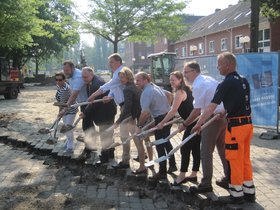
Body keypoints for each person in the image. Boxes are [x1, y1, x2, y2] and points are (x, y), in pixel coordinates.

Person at [192, 52, 255, 204]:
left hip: (236, 127)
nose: (217, 67)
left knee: (234, 159)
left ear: (228, 65)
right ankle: (249, 192)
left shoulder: (226, 83)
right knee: (245, 158)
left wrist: (198, 123)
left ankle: (236, 194)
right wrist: (224, 111)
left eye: (219, 64)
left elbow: (209, 107)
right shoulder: (243, 80)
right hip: (247, 125)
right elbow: (238, 102)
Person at [179, 61, 228, 193]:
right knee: (222, 149)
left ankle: (206, 184)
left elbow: (197, 110)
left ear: (195, 71)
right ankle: (229, 177)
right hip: (221, 116)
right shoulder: (208, 79)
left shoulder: (199, 85)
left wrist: (186, 124)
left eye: (186, 72)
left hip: (213, 118)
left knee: (206, 152)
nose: (185, 75)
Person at [157, 71, 201, 185]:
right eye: (170, 79)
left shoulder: (180, 92)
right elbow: (182, 109)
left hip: (192, 122)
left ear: (180, 80)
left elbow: (172, 111)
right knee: (195, 148)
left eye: (173, 80)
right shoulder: (186, 89)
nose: (171, 82)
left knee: (184, 149)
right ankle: (194, 174)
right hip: (197, 121)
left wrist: (162, 123)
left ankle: (182, 176)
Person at [135, 72, 177, 180]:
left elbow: (144, 112)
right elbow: (169, 94)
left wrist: (139, 126)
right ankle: (172, 165)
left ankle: (162, 172)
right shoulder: (154, 86)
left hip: (161, 118)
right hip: (167, 116)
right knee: (166, 141)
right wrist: (166, 106)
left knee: (159, 145)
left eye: (138, 80)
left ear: (145, 80)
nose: (136, 83)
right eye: (136, 80)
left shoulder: (146, 92)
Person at [81, 67, 117, 163]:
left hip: (106, 112)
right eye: (83, 77)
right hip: (104, 110)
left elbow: (92, 103)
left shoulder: (96, 85)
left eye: (86, 77)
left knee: (105, 134)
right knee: (108, 133)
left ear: (91, 74)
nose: (84, 79)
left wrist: (85, 113)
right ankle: (110, 153)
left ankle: (105, 157)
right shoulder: (92, 81)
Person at [110, 67, 142, 170]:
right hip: (134, 115)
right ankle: (142, 160)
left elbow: (127, 107)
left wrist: (118, 121)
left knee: (124, 137)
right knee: (136, 138)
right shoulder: (135, 86)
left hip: (128, 115)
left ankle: (125, 161)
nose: (121, 79)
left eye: (123, 77)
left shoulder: (127, 89)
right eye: (120, 78)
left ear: (128, 76)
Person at [54, 72, 78, 153]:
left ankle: (70, 146)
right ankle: (68, 141)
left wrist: (60, 113)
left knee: (67, 128)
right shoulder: (59, 87)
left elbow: (64, 104)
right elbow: (60, 102)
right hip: (64, 108)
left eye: (60, 80)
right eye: (56, 80)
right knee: (65, 126)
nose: (58, 82)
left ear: (64, 80)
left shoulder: (65, 89)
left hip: (71, 110)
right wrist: (59, 113)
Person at [61, 61, 87, 128]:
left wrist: (64, 109)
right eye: (64, 70)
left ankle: (95, 138)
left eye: (67, 70)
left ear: (73, 68)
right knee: (87, 124)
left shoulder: (78, 77)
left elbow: (74, 95)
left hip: (87, 102)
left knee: (87, 125)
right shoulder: (71, 75)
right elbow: (72, 91)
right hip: (81, 102)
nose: (65, 72)